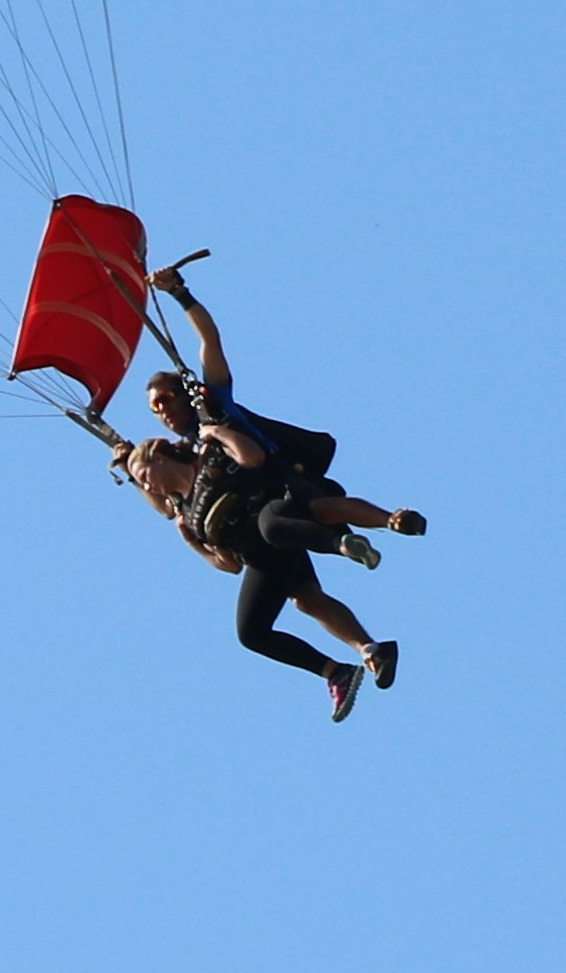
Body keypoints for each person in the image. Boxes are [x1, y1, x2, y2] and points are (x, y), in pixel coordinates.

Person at [110, 266, 424, 716]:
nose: (161, 411)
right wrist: (129, 463)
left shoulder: (213, 407)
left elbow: (210, 344)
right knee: (289, 608)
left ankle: (383, 523)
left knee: (309, 509)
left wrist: (180, 294)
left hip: (278, 485)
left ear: (183, 393)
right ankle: (356, 658)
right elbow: (165, 500)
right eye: (153, 409)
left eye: (164, 400)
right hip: (258, 537)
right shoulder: (187, 466)